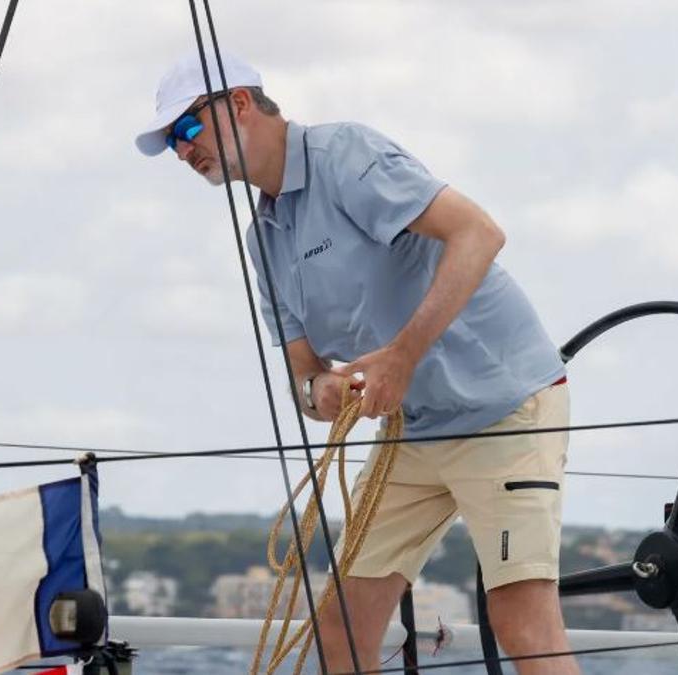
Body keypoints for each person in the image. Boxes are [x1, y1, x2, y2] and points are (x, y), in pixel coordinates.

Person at [136, 52, 580, 675]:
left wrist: (402, 355)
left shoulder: (345, 155)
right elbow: (303, 372)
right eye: (172, 146)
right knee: (340, 627)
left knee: (521, 623)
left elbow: (479, 233)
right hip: (415, 430)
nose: (183, 153)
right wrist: (319, 390)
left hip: (506, 407)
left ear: (238, 103)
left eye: (185, 130)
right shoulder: (261, 241)